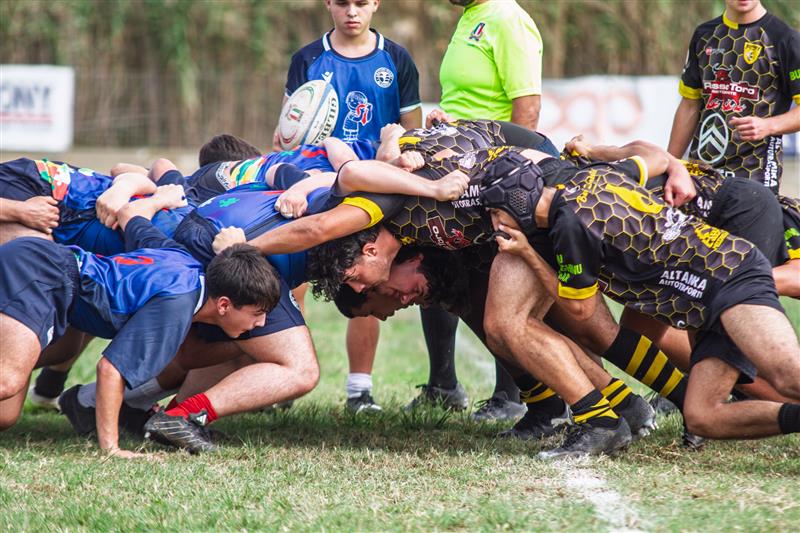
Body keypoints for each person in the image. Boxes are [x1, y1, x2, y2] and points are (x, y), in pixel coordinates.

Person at [479, 150, 800, 442]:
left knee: (786, 377)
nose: (494, 224)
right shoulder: (597, 172)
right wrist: (670, 165)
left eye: (495, 212)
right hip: (704, 298)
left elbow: (579, 310)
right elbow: (655, 158)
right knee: (702, 417)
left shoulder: (570, 223)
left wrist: (528, 254)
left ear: (518, 201)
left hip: (729, 275)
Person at [0, 185, 281, 457]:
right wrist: (111, 448)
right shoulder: (177, 305)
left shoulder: (183, 260)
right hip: (42, 276)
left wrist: (161, 199)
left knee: (6, 415)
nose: (261, 323)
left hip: (39, 264)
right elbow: (110, 370)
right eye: (257, 313)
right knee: (7, 382)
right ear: (224, 305)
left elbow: (131, 216)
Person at [276, 0, 423, 413]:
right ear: (329, 4)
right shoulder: (307, 58)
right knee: (293, 278)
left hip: (373, 184)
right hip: (314, 180)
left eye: (361, 2)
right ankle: (284, 380)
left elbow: (414, 131)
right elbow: (287, 129)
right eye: (342, 3)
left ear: (376, 4)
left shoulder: (396, 58)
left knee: (367, 277)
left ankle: (360, 390)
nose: (352, 11)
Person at [421, 0, 545, 420]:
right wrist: (447, 121)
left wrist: (505, 182)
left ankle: (511, 396)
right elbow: (471, 99)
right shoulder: (471, 16)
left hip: (491, 175)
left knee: (493, 274)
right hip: (461, 166)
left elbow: (526, 109)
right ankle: (442, 385)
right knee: (435, 259)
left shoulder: (507, 17)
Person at [668, 0, 800, 193]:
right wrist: (669, 165)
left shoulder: (785, 39)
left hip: (755, 179)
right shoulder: (704, 35)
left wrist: (767, 126)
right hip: (700, 175)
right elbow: (689, 105)